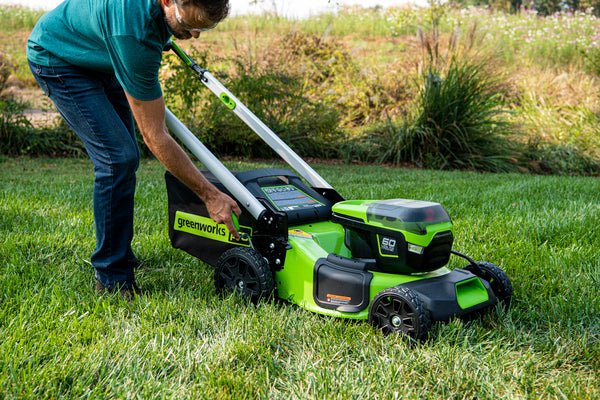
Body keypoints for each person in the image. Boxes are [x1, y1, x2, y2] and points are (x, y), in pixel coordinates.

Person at [26, 0, 242, 299]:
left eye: (203, 29)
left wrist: (169, 28)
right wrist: (210, 195)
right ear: (168, 1)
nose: (195, 36)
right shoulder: (133, 36)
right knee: (117, 160)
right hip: (60, 58)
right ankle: (112, 277)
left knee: (124, 159)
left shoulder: (144, 25)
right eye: (190, 26)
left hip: (102, 52)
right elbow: (156, 137)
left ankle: (120, 256)